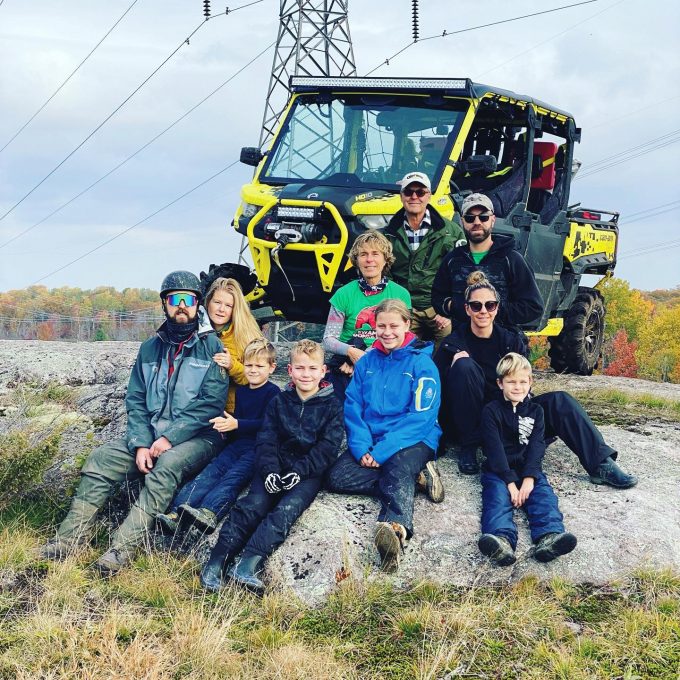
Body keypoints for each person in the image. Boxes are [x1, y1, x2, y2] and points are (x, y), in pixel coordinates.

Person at [39, 271, 230, 573]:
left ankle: (119, 551)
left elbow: (210, 404)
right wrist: (141, 443)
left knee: (166, 465)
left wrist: (169, 439)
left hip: (199, 437)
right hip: (151, 434)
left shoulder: (213, 349)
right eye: (174, 299)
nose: (182, 306)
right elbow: (137, 400)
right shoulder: (148, 349)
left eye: (189, 299)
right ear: (164, 305)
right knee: (102, 458)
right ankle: (68, 540)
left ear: (198, 305)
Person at [434, 271, 637, 488]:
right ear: (467, 309)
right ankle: (469, 448)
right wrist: (452, 368)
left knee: (561, 401)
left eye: (489, 305)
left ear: (497, 308)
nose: (483, 311)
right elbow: (438, 394)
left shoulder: (511, 341)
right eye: (476, 306)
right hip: (474, 422)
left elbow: (524, 385)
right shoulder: (452, 344)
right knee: (464, 366)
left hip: (509, 420)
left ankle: (600, 464)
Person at [199, 339, 343, 594]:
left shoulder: (332, 406)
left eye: (312, 368)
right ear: (290, 371)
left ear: (323, 372)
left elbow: (327, 448)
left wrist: (299, 473)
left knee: (285, 511)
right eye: (300, 368)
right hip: (274, 466)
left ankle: (247, 564)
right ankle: (216, 563)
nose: (305, 374)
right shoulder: (279, 402)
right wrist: (270, 470)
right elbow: (267, 438)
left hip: (306, 473)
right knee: (251, 505)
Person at [326, 298, 443, 573]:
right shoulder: (367, 363)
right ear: (374, 327)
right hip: (373, 439)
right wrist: (362, 446)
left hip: (414, 438)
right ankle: (419, 477)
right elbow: (353, 406)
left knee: (397, 465)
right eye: (381, 326)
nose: (387, 332)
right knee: (336, 477)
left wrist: (381, 453)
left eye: (394, 325)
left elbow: (421, 417)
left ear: (406, 325)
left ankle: (396, 531)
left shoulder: (422, 364)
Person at [156, 339, 280, 534]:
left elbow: (268, 425)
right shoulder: (242, 391)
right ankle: (176, 513)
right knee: (211, 471)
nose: (253, 370)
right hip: (236, 445)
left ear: (271, 368)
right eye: (248, 365)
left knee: (232, 478)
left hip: (257, 449)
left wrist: (237, 424)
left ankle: (209, 512)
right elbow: (236, 421)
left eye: (259, 366)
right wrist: (227, 429)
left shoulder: (274, 393)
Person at [479, 352, 577, 566]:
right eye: (511, 381)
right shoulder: (491, 411)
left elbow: (536, 446)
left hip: (527, 468)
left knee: (543, 495)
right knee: (496, 499)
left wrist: (530, 478)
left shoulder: (536, 411)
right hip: (499, 470)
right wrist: (510, 484)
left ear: (530, 382)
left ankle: (549, 537)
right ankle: (501, 541)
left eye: (523, 381)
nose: (517, 387)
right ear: (500, 383)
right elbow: (494, 449)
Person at [431, 192, 544, 330]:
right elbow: (437, 298)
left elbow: (533, 306)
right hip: (462, 342)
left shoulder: (512, 260)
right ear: (462, 221)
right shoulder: (452, 260)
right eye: (470, 218)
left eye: (483, 217)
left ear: (493, 219)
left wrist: (490, 309)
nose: (477, 222)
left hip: (503, 342)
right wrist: (454, 306)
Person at [322, 230, 411, 399]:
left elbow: (405, 337)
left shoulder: (401, 295)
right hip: (348, 360)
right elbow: (328, 340)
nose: (369, 259)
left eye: (375, 254)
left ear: (385, 259)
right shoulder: (343, 294)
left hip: (387, 357)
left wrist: (365, 358)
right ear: (356, 260)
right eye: (363, 254)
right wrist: (351, 353)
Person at [384, 171, 465, 347]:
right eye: (408, 192)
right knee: (398, 348)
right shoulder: (387, 233)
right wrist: (396, 309)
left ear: (428, 195)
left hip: (437, 307)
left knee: (449, 346)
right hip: (404, 307)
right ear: (401, 196)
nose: (414, 197)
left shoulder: (451, 231)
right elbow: (384, 273)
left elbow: (460, 274)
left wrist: (448, 310)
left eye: (420, 192)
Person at [202, 277, 263, 413]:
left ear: (235, 308)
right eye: (217, 302)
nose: (221, 309)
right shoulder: (194, 331)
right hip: (198, 409)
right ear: (208, 302)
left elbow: (257, 377)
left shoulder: (247, 336)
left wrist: (232, 365)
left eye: (228, 305)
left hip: (232, 412)